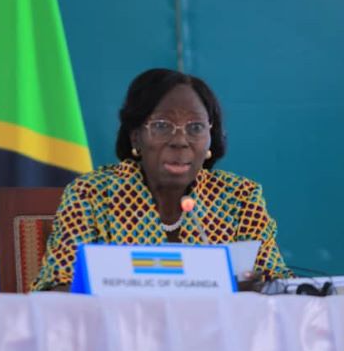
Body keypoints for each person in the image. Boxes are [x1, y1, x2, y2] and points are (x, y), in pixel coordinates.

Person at [33, 68, 292, 291]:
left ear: (210, 139)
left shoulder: (240, 197)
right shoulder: (91, 195)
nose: (180, 141)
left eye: (195, 128)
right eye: (161, 126)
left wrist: (254, 286)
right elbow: (59, 289)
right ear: (136, 137)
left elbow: (277, 284)